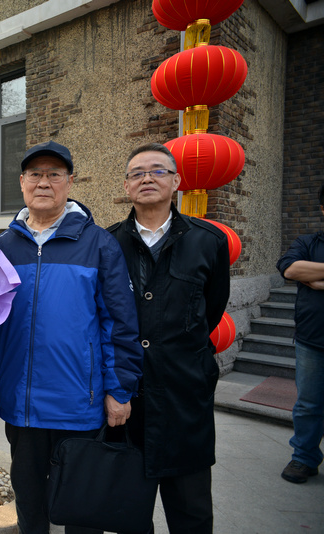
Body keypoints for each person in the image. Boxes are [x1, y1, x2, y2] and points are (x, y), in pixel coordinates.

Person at [0, 141, 143, 534]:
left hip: (79, 402)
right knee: (30, 501)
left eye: (54, 174)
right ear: (21, 183)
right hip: (22, 402)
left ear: (70, 182)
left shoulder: (98, 243)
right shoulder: (2, 248)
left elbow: (120, 323)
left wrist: (120, 389)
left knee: (81, 505)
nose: (44, 182)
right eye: (35, 174)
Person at [107, 143, 230, 533]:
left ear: (176, 181)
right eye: (138, 173)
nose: (147, 178)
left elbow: (211, 309)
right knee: (127, 512)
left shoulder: (208, 241)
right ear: (126, 185)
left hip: (184, 396)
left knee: (191, 512)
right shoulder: (108, 244)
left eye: (158, 171)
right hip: (127, 398)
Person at [276, 183, 324, 484]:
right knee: (308, 403)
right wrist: (302, 273)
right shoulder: (309, 242)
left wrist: (316, 277)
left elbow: (303, 272)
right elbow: (290, 269)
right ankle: (304, 458)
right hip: (312, 339)